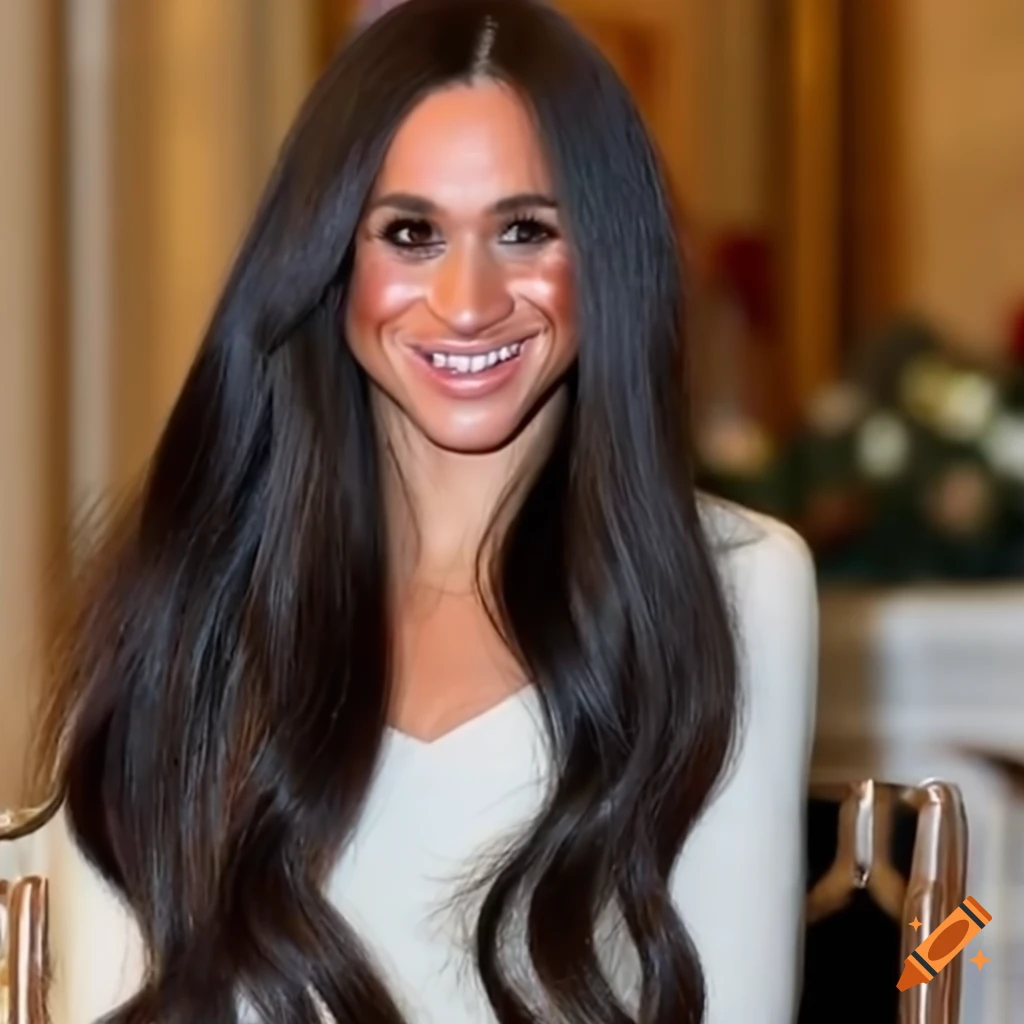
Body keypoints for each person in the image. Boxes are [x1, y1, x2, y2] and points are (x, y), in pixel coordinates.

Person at [2, 0, 818, 1021]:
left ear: (604, 250)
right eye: (411, 233)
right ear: (328, 257)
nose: (468, 300)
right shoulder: (191, 585)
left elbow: (737, 1000)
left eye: (524, 229)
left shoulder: (736, 583)